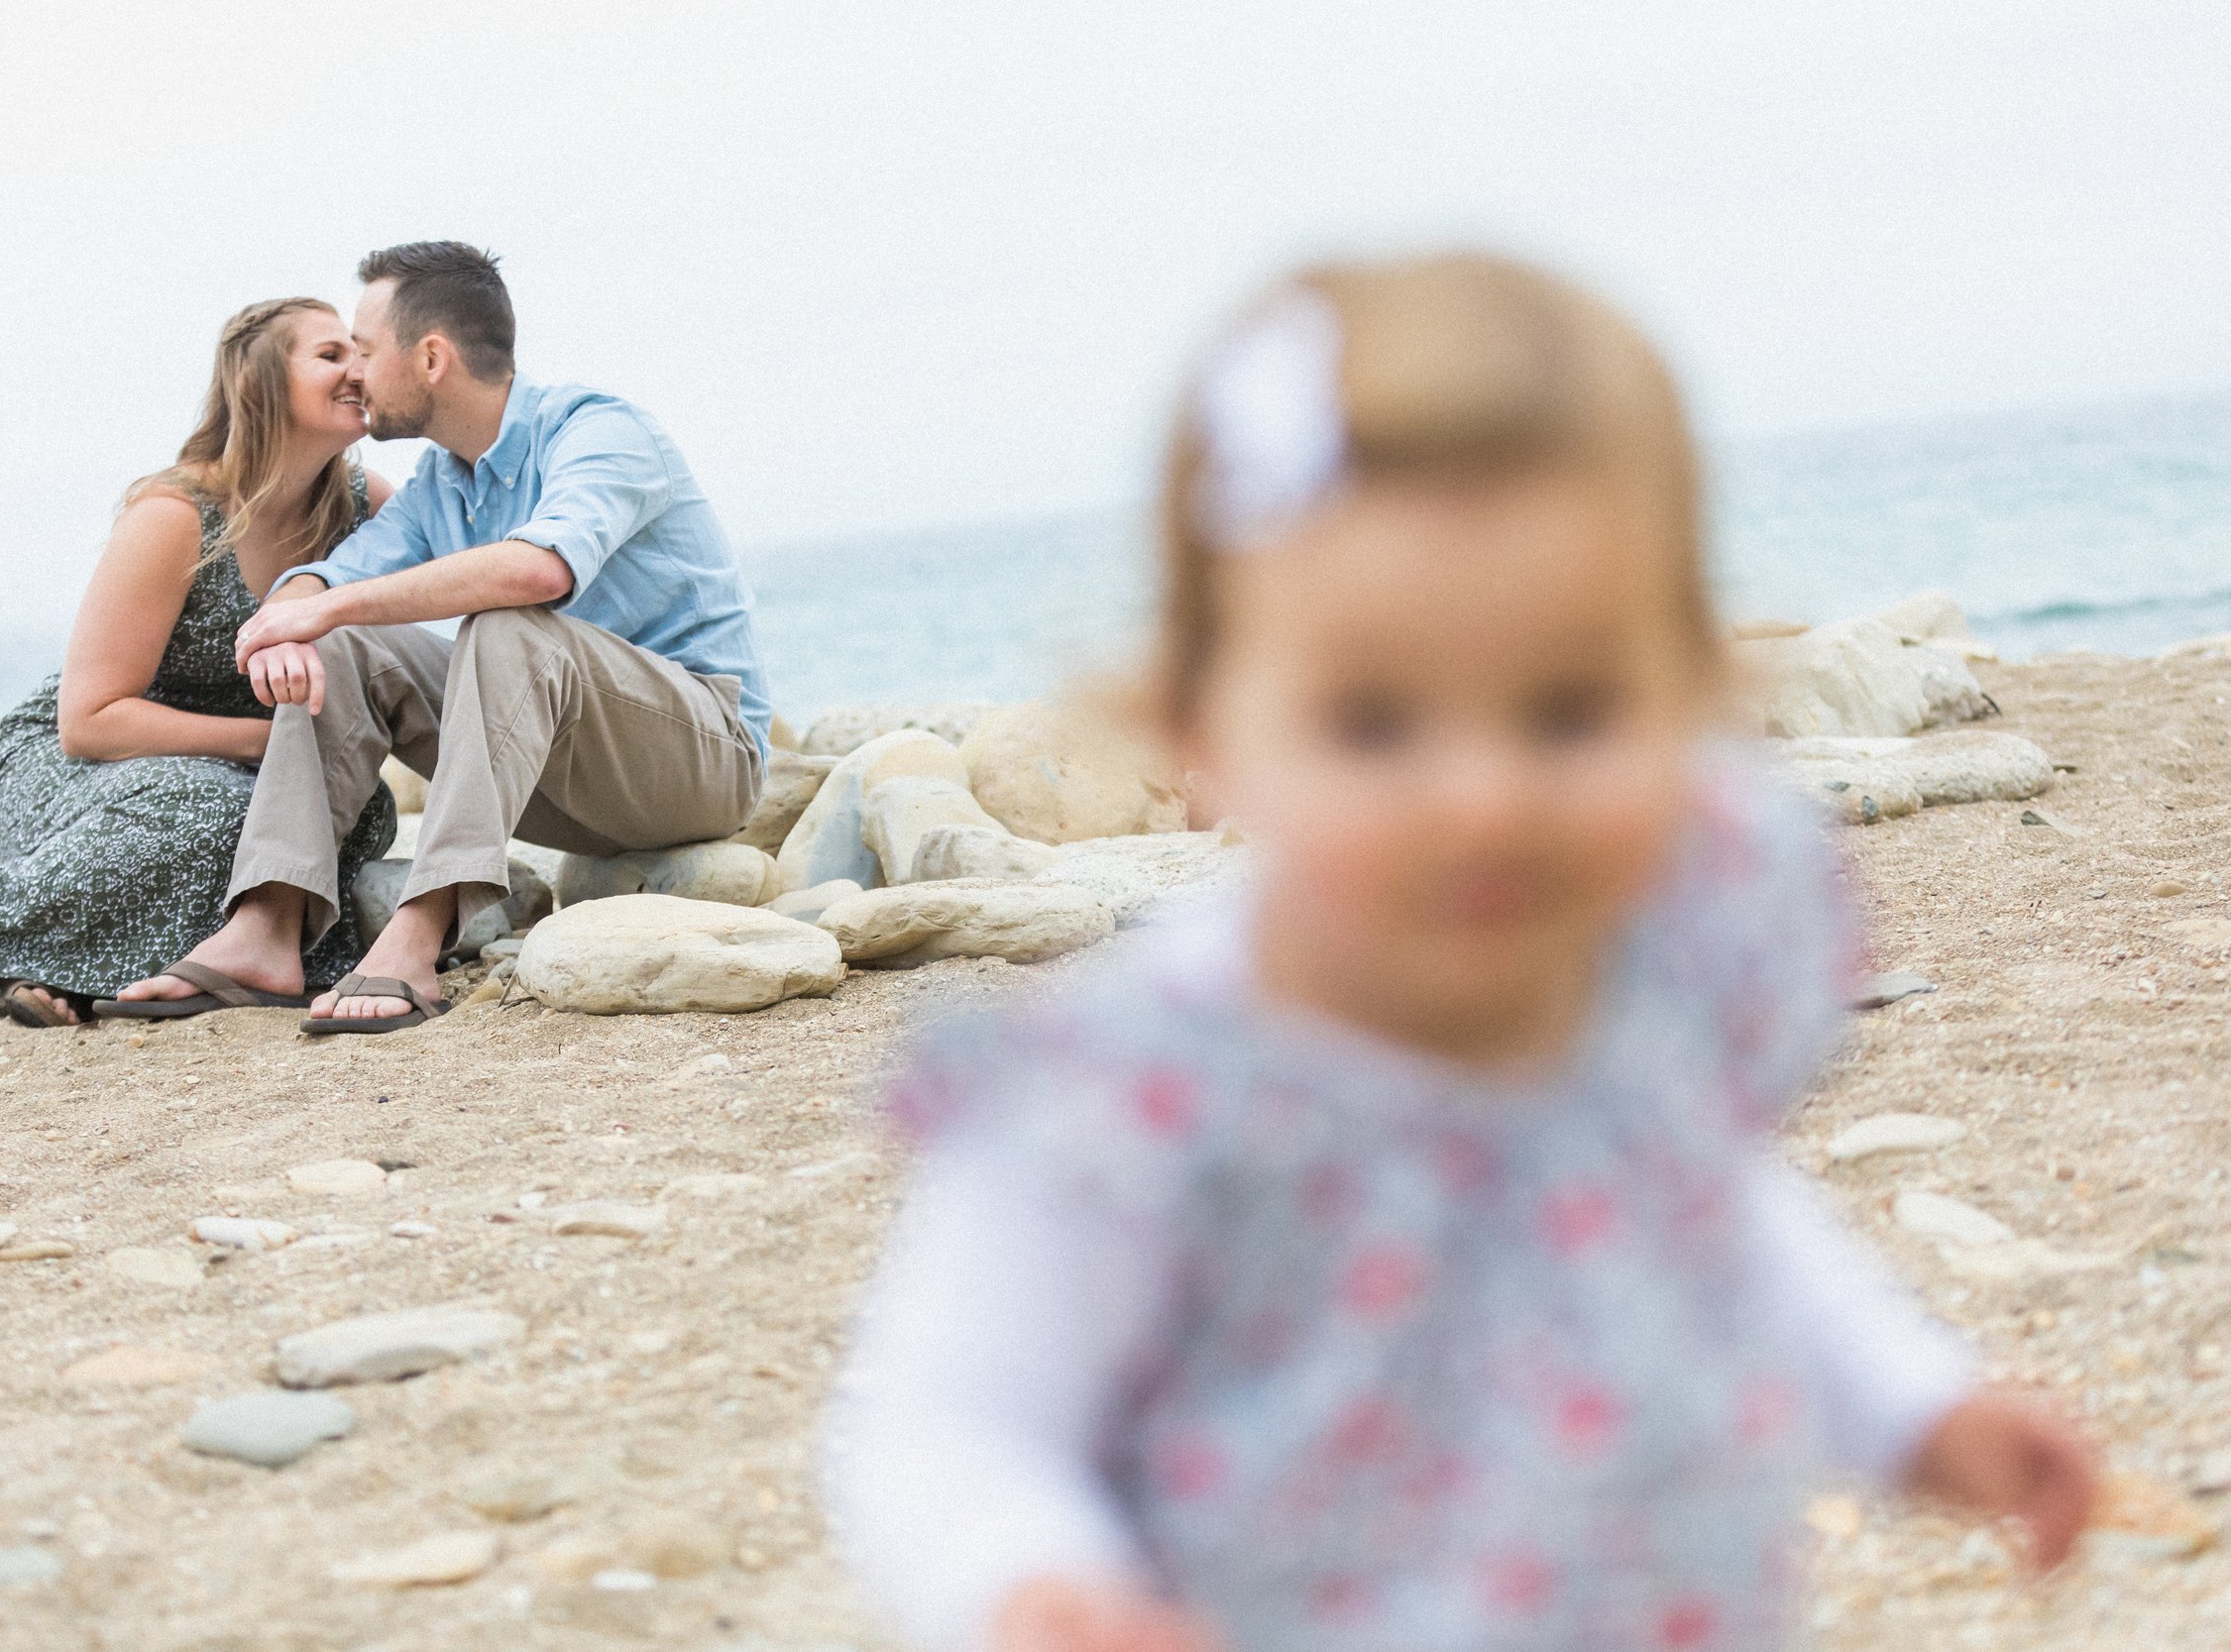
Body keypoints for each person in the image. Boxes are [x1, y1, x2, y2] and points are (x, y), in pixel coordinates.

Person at [823, 255, 2096, 1652]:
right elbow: (948, 1417)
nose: (1483, 797)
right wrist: (1034, 1581)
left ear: (1690, 687)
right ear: (1203, 724)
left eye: (1568, 710)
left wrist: (1915, 1405)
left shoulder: (1644, 981)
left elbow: (1722, 1226)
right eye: (1375, 723)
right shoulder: (1144, 1088)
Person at [103, 241, 770, 1034]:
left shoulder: (599, 431)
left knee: (508, 623)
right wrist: (297, 615)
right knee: (347, 644)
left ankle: (419, 928)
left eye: (365, 349)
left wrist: (321, 608)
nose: (354, 371)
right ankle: (266, 929)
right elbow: (336, 577)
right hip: (560, 788)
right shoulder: (440, 485)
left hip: (699, 762)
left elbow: (539, 572)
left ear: (430, 358)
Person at [0, 299, 397, 1043]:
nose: (358, 369)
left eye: (362, 352)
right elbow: (90, 719)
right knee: (221, 809)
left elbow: (458, 561)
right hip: (85, 761)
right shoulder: (176, 514)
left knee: (362, 811)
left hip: (250, 766)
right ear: (259, 383)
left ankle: (75, 970)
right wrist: (268, 745)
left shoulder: (363, 504)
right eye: (329, 355)